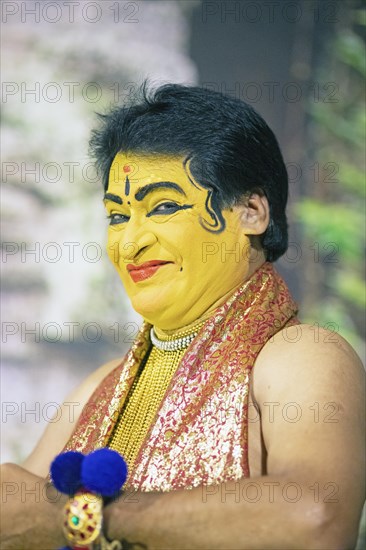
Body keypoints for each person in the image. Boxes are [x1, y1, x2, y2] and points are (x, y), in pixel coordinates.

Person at [1, 83, 364, 550]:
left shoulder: (302, 356)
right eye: (117, 216)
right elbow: (18, 518)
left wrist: (81, 517)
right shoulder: (100, 386)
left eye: (164, 207)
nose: (130, 243)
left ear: (251, 212)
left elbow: (316, 518)